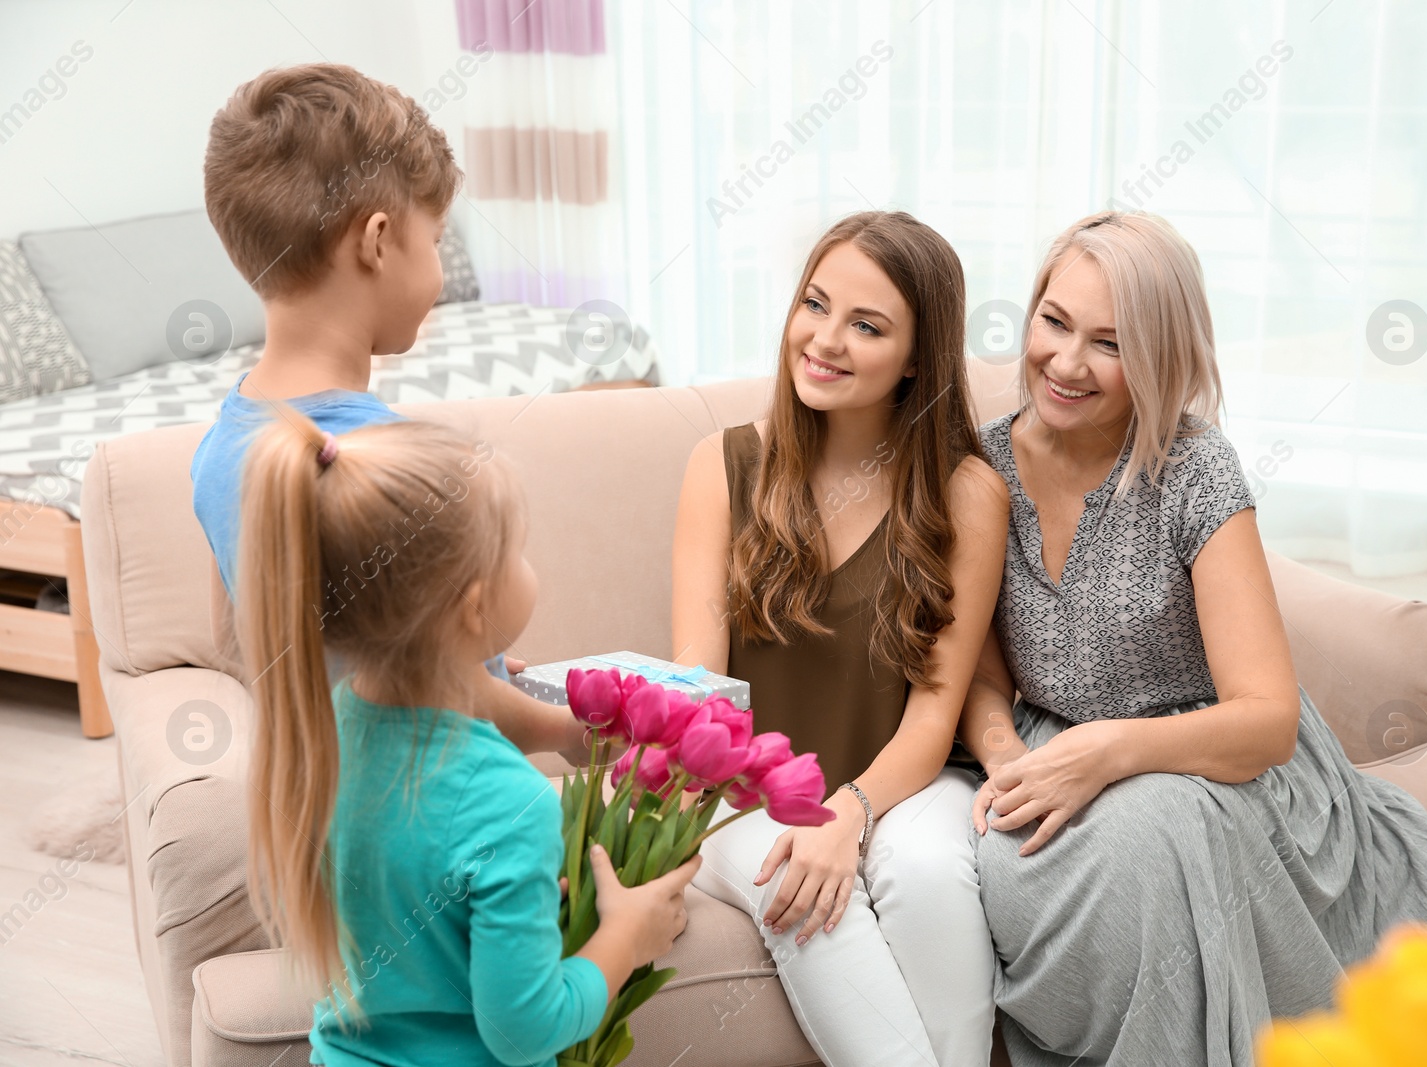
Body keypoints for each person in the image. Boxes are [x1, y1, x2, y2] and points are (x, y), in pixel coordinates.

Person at [957, 210, 1427, 1066]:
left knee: (1156, 834)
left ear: (1157, 357)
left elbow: (1265, 720)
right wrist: (1004, 758)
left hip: (1216, 757)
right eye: (1054, 322)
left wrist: (1111, 752)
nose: (1066, 363)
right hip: (1052, 744)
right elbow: (981, 675)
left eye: (1109, 343)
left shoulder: (1195, 468)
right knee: (1010, 858)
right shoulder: (982, 465)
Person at [234, 410, 701, 1066]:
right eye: (516, 550)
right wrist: (626, 938)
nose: (526, 564)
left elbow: (410, 893)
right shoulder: (510, 801)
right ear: (476, 606)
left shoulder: (320, 736)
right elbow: (525, 1031)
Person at [672, 211, 1011, 1066]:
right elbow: (699, 699)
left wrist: (849, 811)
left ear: (918, 359)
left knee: (932, 879)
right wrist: (798, 813)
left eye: (867, 325)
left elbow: (936, 716)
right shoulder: (722, 464)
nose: (824, 340)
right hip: (739, 795)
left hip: (899, 783)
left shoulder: (968, 494)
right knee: (799, 886)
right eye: (814, 305)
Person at [190, 62, 578, 755]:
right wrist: (570, 732)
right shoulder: (387, 462)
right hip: (434, 805)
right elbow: (438, 691)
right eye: (433, 241)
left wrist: (475, 663)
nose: (437, 268)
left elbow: (240, 641)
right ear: (375, 241)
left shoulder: (226, 438)